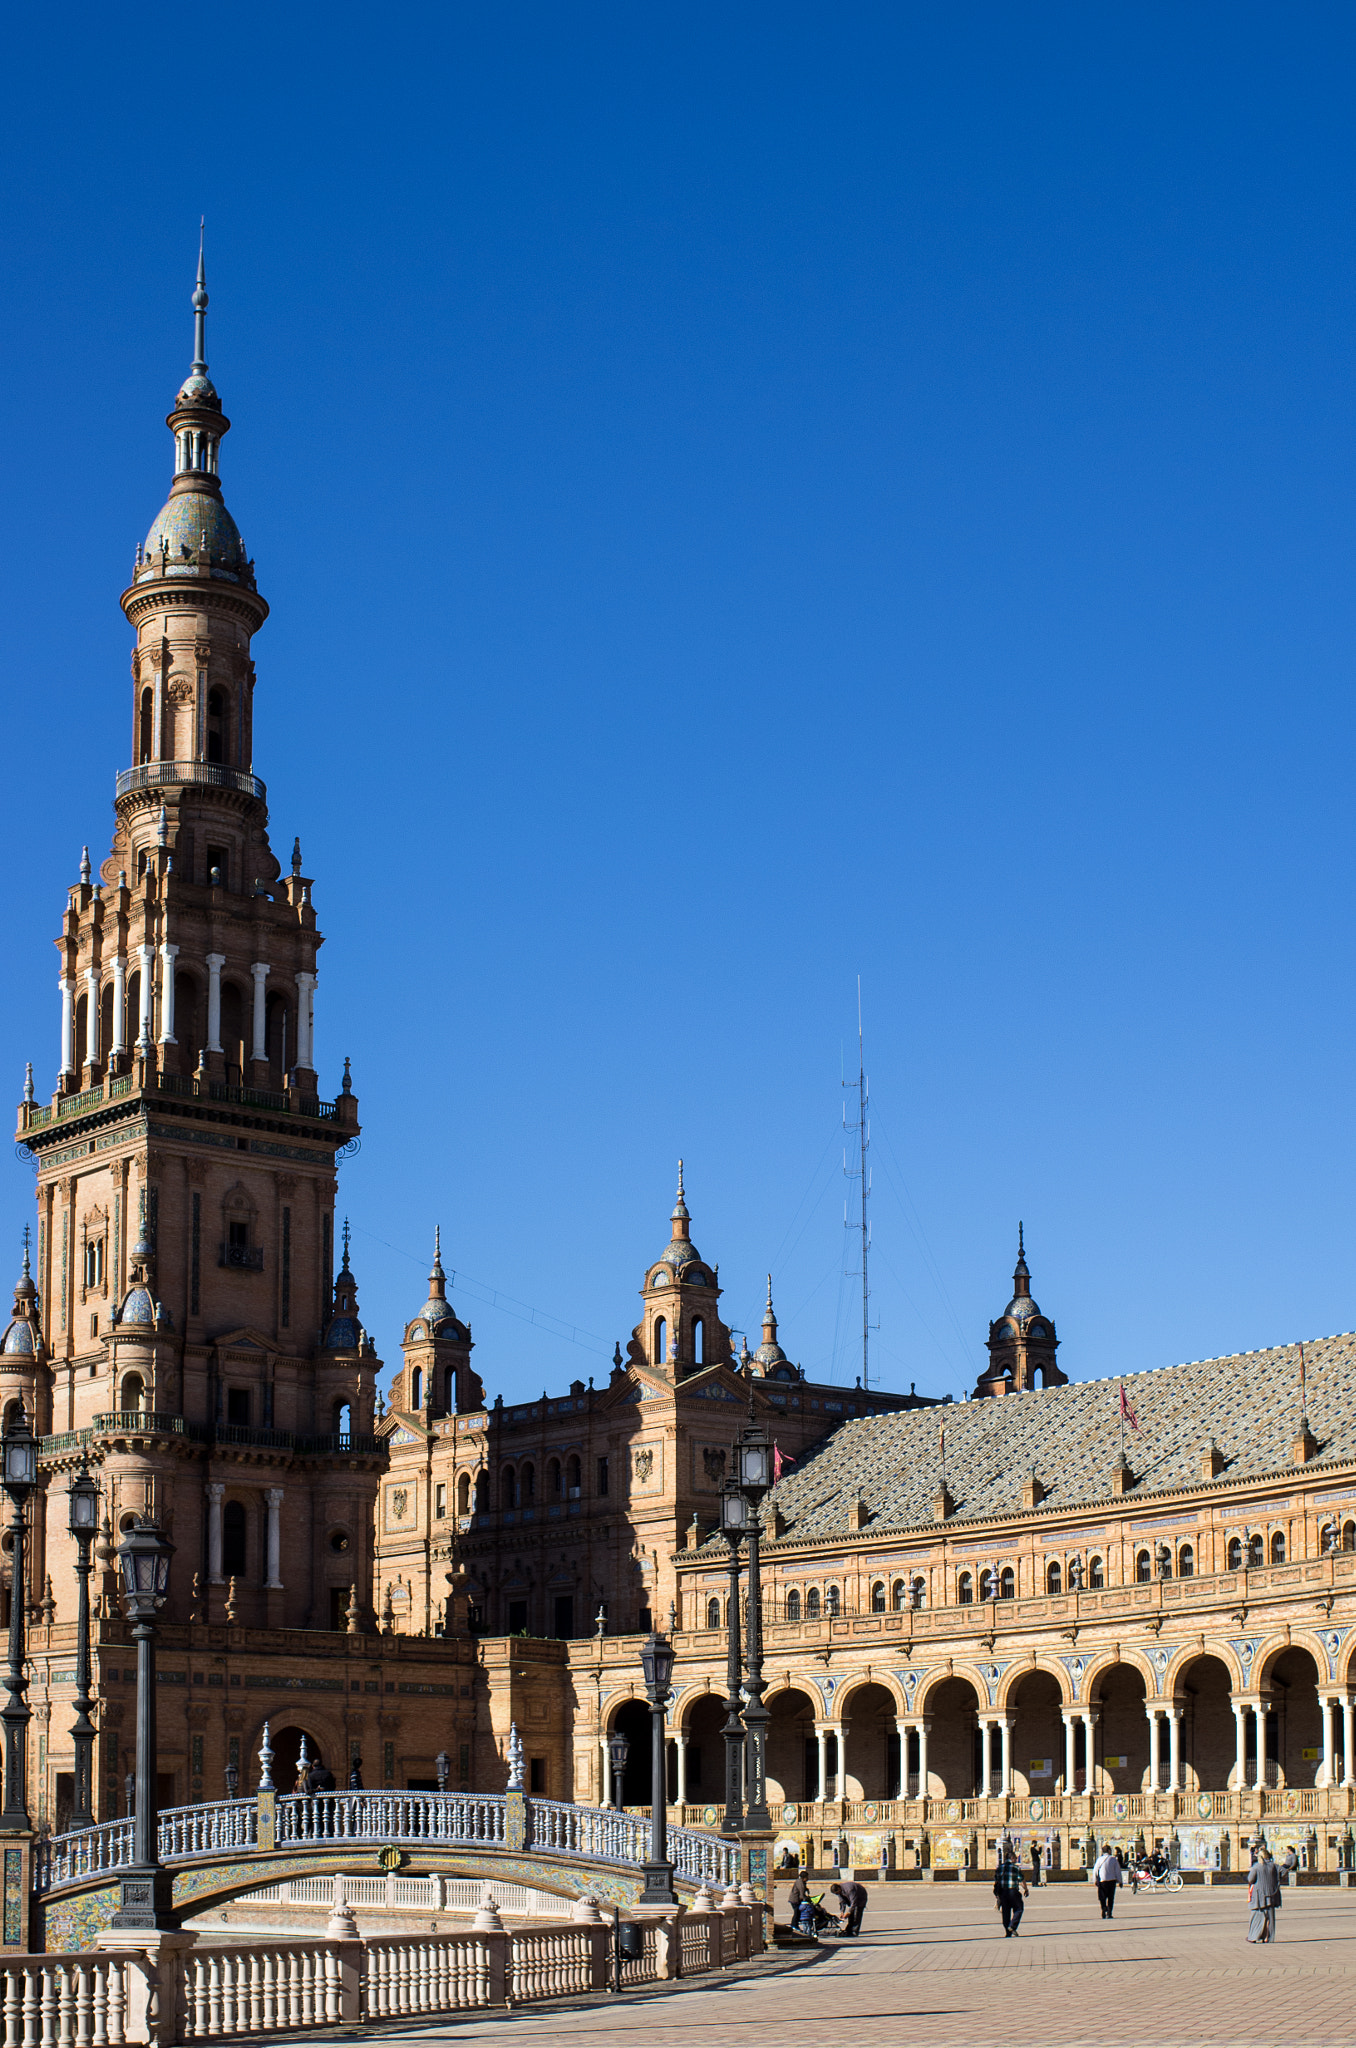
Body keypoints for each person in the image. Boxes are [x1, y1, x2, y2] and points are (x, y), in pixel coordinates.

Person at [1247, 1843, 1281, 1943]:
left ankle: (1254, 1936)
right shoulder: (1274, 1866)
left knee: (1257, 1916)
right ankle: (1269, 1938)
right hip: (1272, 1895)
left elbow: (1250, 1879)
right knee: (1270, 1918)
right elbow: (1283, 1871)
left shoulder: (1256, 1867)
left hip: (1259, 1896)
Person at [993, 1847, 1028, 1936]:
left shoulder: (999, 1868)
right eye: (1015, 1858)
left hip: (1003, 1892)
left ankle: (1008, 1932)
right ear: (1012, 1858)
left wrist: (997, 1894)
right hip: (1013, 1892)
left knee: (1006, 1911)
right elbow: (1021, 1880)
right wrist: (1026, 1889)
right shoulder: (1015, 1868)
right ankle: (1012, 1926)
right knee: (1019, 1909)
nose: (1016, 1860)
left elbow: (996, 1881)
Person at [1093, 1843, 1122, 1919]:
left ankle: (1103, 1908)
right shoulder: (1113, 1859)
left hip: (1103, 1881)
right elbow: (1117, 1871)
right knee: (1110, 1898)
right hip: (1112, 1881)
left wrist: (1095, 1880)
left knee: (1102, 1897)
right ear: (1109, 1851)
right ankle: (1109, 1913)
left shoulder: (1099, 1859)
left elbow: (1095, 1870)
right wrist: (1120, 1881)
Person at [787, 1872, 816, 1938]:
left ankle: (795, 1924)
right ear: (804, 1878)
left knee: (797, 1912)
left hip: (795, 1900)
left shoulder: (800, 1881)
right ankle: (794, 1925)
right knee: (797, 1912)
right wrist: (806, 1899)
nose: (808, 1878)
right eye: (807, 1877)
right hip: (795, 1900)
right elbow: (801, 1894)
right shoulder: (800, 1883)